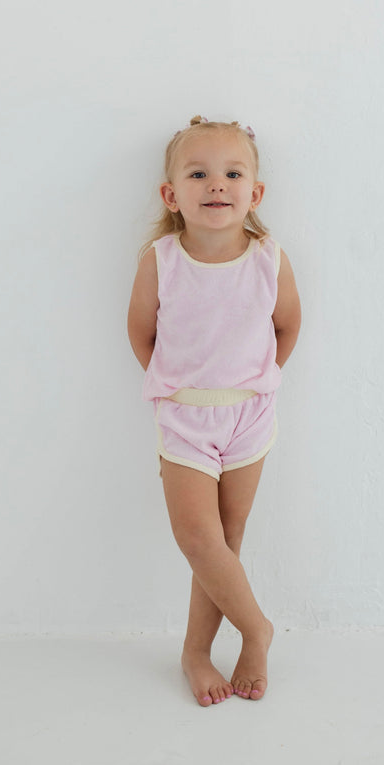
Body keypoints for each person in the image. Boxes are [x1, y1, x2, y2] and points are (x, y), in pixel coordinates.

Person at [127, 116, 301, 707]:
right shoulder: (163, 259)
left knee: (227, 536)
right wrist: (178, 387)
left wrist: (258, 381)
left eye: (232, 173)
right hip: (185, 418)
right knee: (198, 535)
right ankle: (257, 629)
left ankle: (196, 651)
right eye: (198, 173)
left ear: (254, 193)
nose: (216, 184)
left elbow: (287, 325)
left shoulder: (268, 259)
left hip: (249, 415)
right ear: (172, 195)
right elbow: (141, 332)